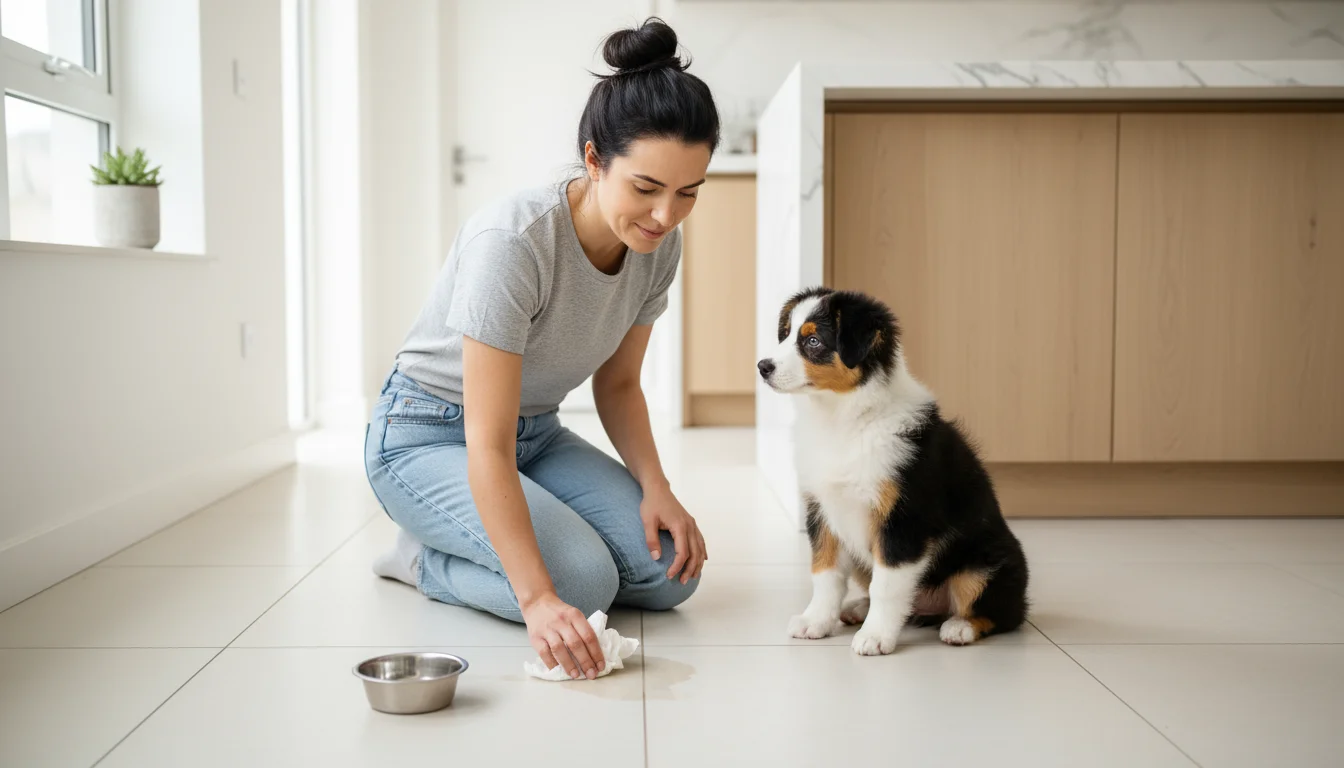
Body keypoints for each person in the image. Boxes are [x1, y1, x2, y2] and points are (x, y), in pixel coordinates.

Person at [363, 18, 718, 681]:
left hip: (538, 435)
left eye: (687, 193)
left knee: (670, 574)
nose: (665, 215)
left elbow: (618, 386)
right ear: (593, 160)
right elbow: (486, 443)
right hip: (427, 435)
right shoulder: (515, 243)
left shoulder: (658, 246)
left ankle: (500, 544)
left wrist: (657, 487)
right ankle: (421, 559)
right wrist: (535, 597)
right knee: (578, 586)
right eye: (645, 188)